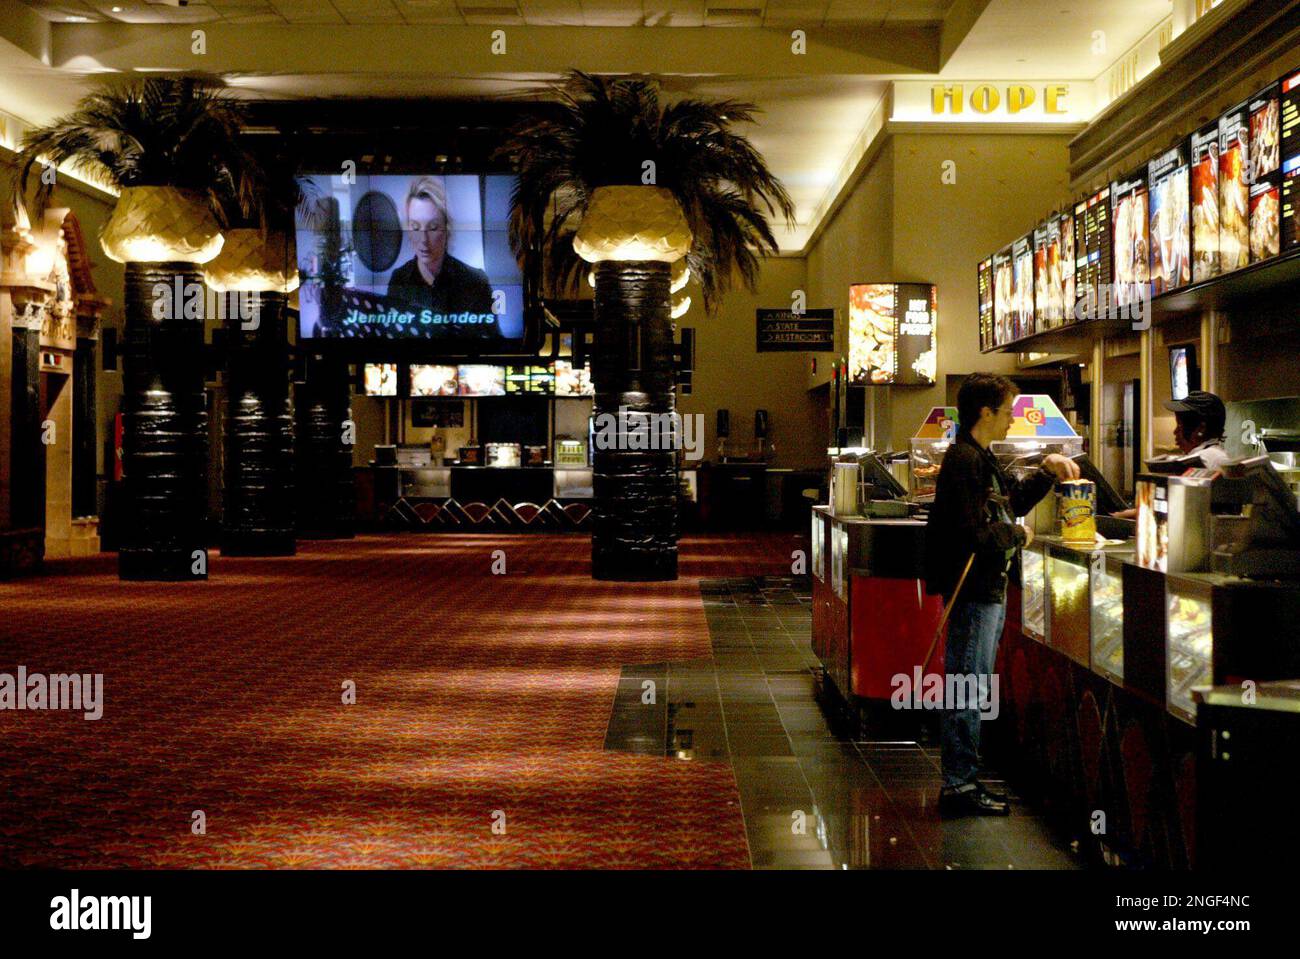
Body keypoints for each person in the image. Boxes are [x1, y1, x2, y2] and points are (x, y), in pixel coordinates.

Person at [924, 374, 1080, 817]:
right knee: (968, 686)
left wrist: (1046, 472)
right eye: (1007, 411)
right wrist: (1017, 535)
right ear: (985, 412)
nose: (1012, 419)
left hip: (985, 588)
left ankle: (963, 779)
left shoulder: (978, 456)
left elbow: (1008, 504)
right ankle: (959, 784)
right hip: (974, 590)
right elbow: (973, 532)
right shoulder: (965, 461)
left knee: (970, 683)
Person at [386, 176, 496, 337]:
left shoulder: (476, 282)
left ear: (446, 228)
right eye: (415, 227)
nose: (423, 240)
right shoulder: (398, 280)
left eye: (432, 227)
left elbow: (494, 343)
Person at [1110, 389, 1230, 518]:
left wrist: (1130, 514)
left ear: (1200, 428)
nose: (1175, 432)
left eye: (1180, 426)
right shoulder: (1213, 454)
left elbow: (1181, 507)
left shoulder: (1208, 458)